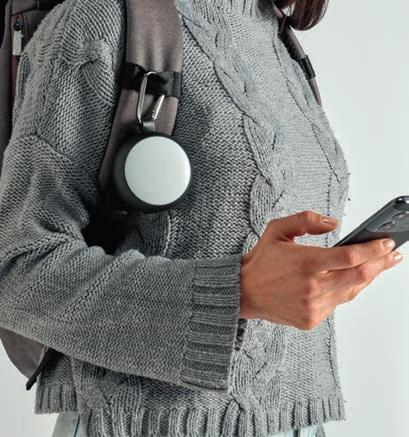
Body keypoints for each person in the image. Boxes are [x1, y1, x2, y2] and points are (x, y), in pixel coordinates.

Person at [0, 0, 403, 436]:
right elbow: (16, 268)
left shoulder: (278, 38)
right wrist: (237, 293)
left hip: (296, 423)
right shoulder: (100, 22)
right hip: (139, 424)